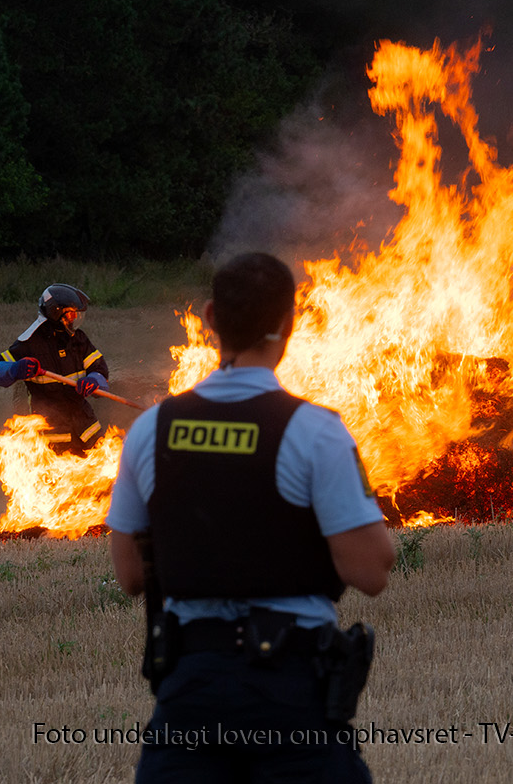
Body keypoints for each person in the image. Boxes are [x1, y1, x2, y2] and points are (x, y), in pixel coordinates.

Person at [105, 252, 396, 783]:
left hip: (190, 689)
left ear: (211, 317)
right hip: (289, 691)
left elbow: (128, 575)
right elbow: (371, 572)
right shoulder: (314, 431)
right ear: (290, 322)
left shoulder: (150, 429)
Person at [0, 283, 111, 455]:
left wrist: (94, 381)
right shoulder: (29, 344)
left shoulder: (78, 339)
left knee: (106, 476)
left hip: (87, 430)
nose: (75, 318)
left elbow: (100, 369)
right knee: (60, 481)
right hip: (53, 440)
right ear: (56, 314)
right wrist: (16, 369)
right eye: (71, 313)